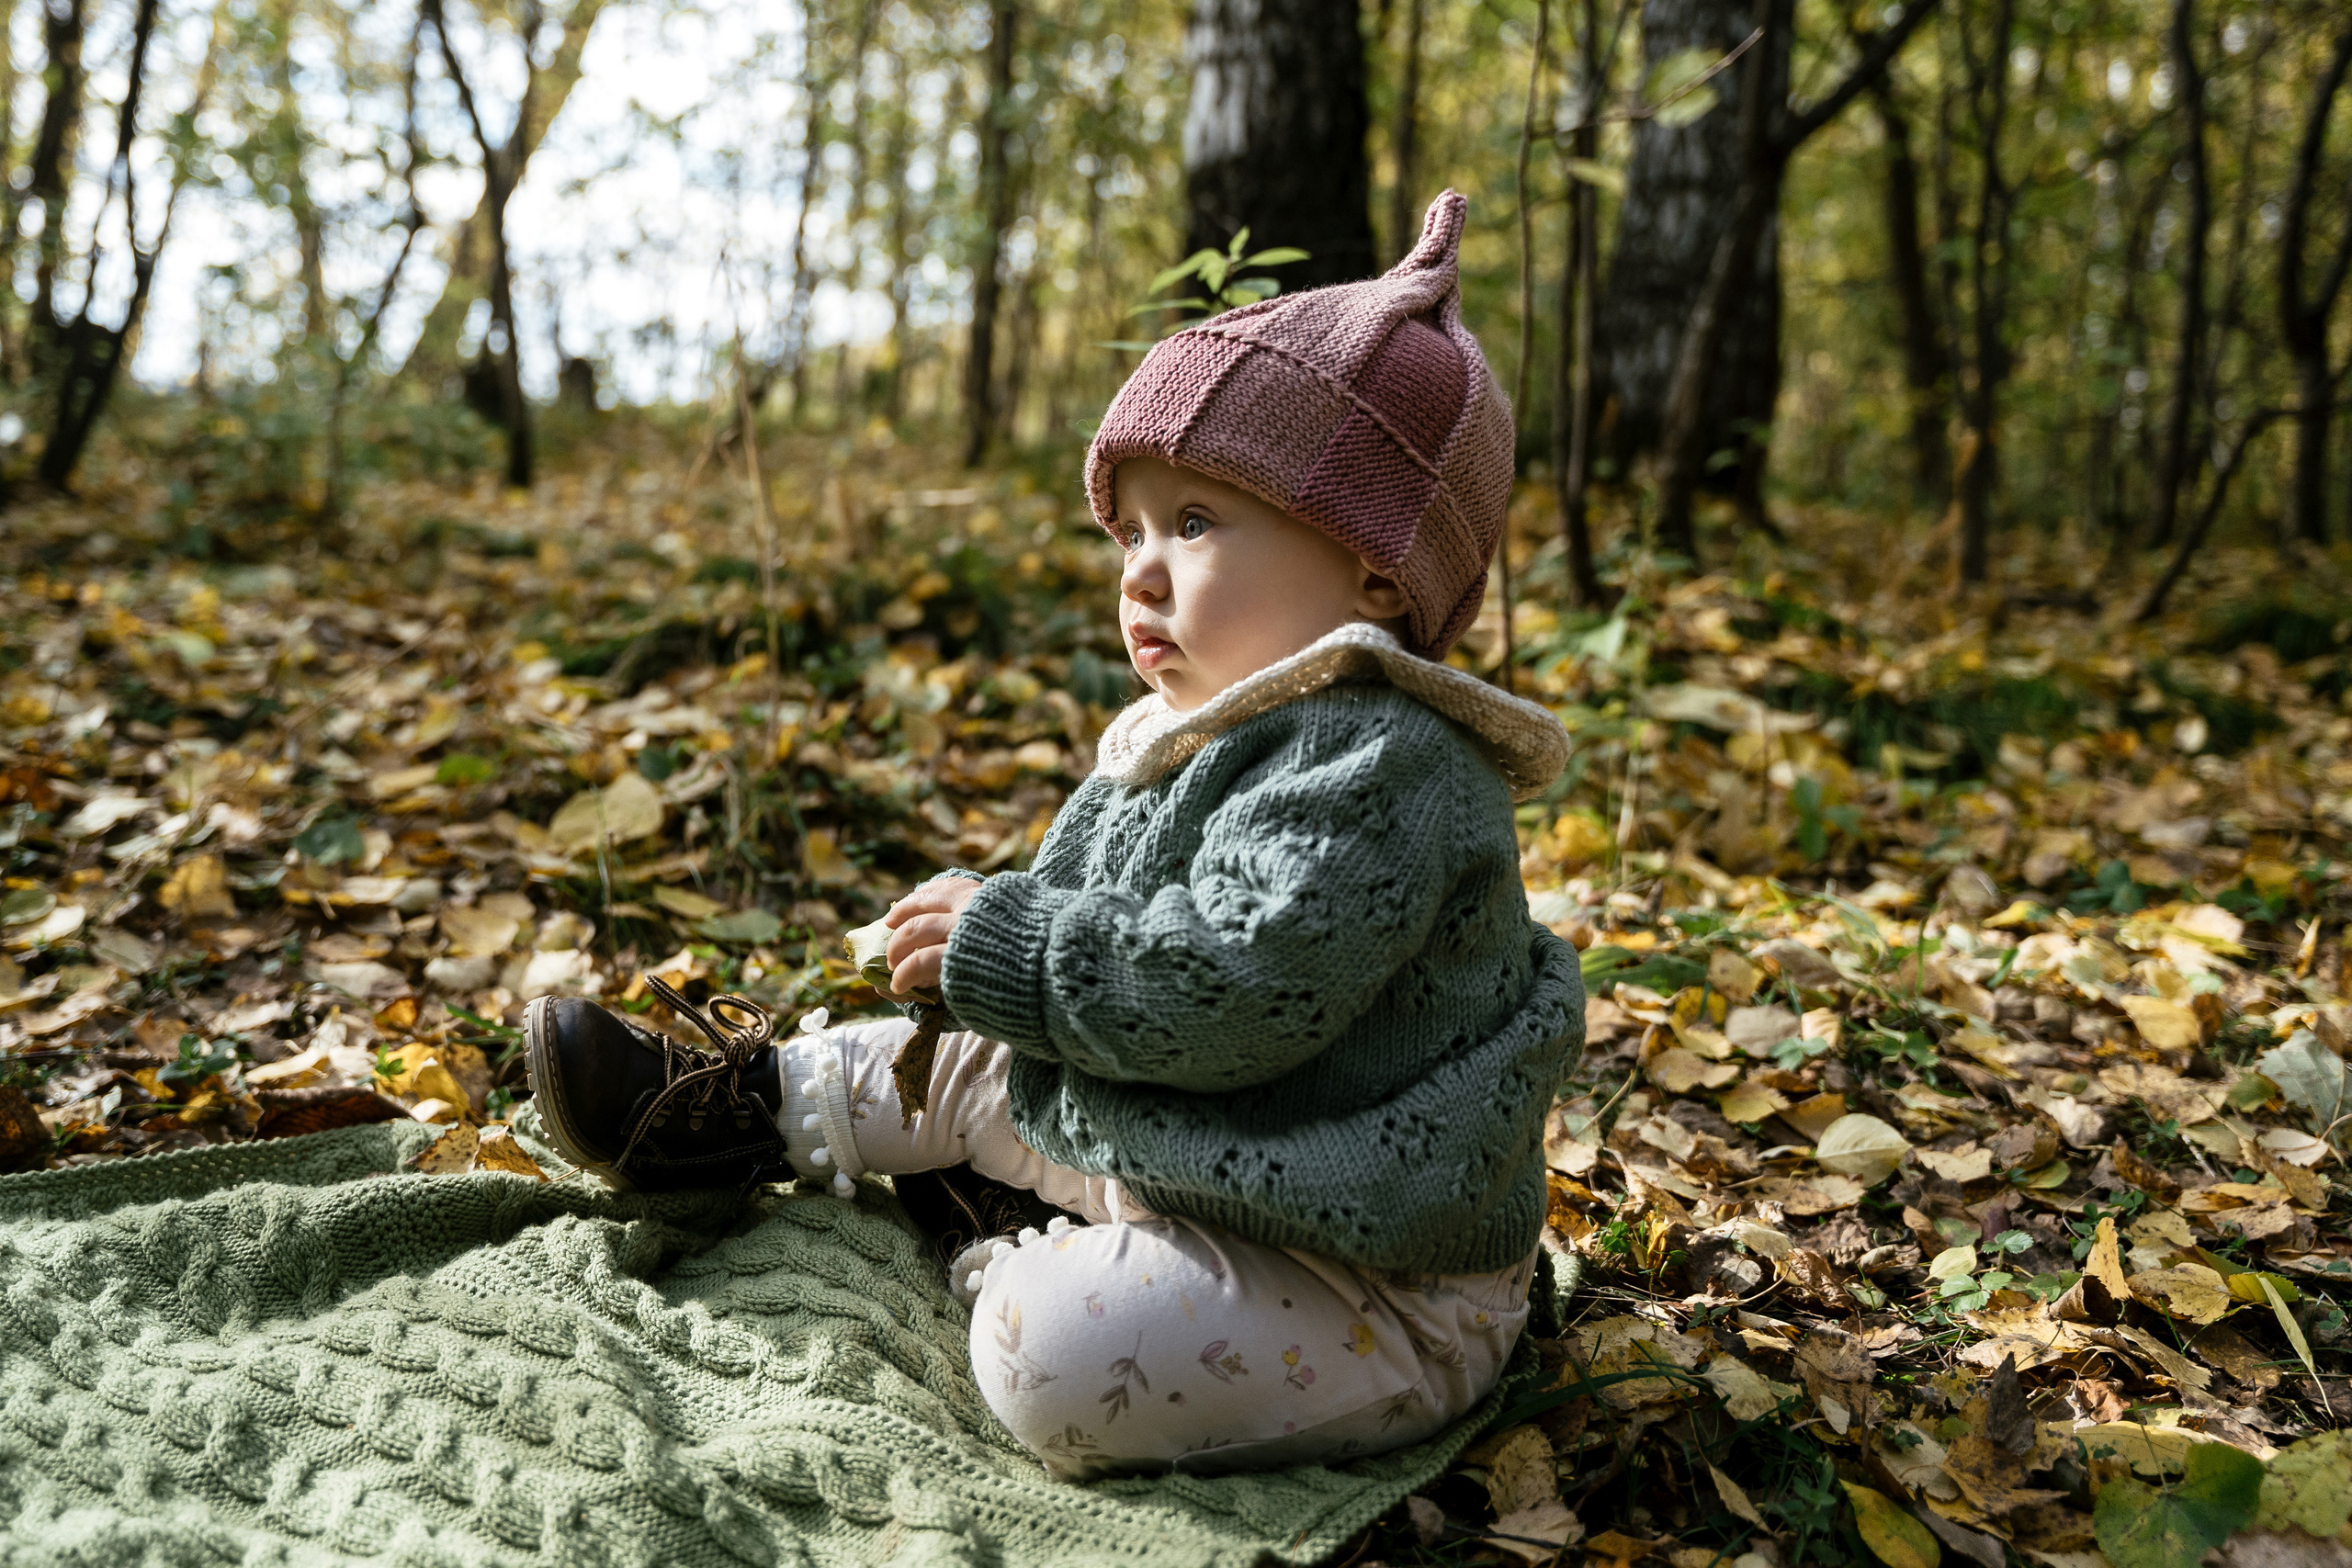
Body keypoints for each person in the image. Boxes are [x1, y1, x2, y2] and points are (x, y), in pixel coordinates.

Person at [523, 191, 1586, 1479]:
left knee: (1055, 1360)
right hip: (1206, 1146)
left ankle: (1027, 1252)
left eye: (1195, 525)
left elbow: (1234, 988)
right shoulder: (1203, 727)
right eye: (1130, 529)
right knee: (968, 1053)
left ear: (1377, 568)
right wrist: (994, 925)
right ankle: (730, 1114)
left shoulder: (1389, 767)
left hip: (1365, 1272)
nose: (1140, 572)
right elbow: (1091, 921)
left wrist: (1022, 952)